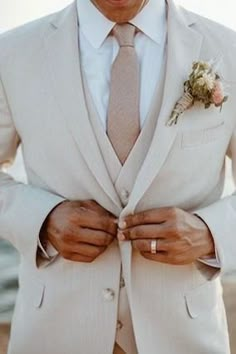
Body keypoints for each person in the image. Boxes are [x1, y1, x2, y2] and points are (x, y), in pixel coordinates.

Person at [0, 0, 235, 353]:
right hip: (53, 333)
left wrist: (211, 233)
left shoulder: (228, 50)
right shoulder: (12, 54)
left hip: (185, 335)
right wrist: (41, 220)